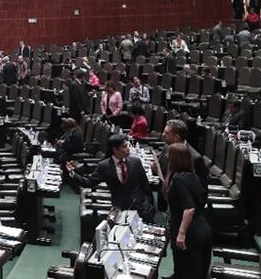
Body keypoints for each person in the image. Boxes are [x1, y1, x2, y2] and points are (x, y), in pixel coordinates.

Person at [65, 134, 156, 223]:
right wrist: (72, 173)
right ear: (115, 150)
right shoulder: (104, 166)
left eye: (128, 145)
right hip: (120, 210)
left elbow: (146, 187)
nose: (128, 148)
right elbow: (88, 182)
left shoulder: (136, 162)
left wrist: (150, 206)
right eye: (124, 146)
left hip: (141, 208)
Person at [165, 143, 212, 279]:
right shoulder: (193, 176)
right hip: (202, 228)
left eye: (170, 155)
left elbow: (189, 208)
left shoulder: (178, 179)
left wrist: (181, 233)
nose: (167, 158)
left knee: (186, 272)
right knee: (199, 271)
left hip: (189, 233)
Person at [153, 119, 209, 214]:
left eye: (166, 133)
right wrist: (155, 169)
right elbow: (164, 172)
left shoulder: (194, 158)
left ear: (176, 137)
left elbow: (201, 191)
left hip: (182, 209)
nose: (162, 134)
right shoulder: (167, 148)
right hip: (166, 201)